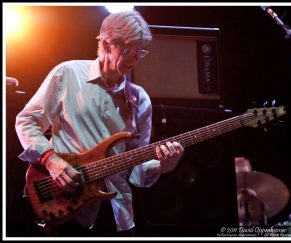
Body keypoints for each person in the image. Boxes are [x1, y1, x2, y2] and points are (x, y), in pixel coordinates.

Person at [15, 10, 184, 237]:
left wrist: (163, 166)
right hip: (65, 203)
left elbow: (136, 171)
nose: (134, 57)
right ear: (105, 43)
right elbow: (26, 121)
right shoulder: (68, 74)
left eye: (140, 51)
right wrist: (51, 160)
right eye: (127, 49)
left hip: (117, 215)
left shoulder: (140, 99)